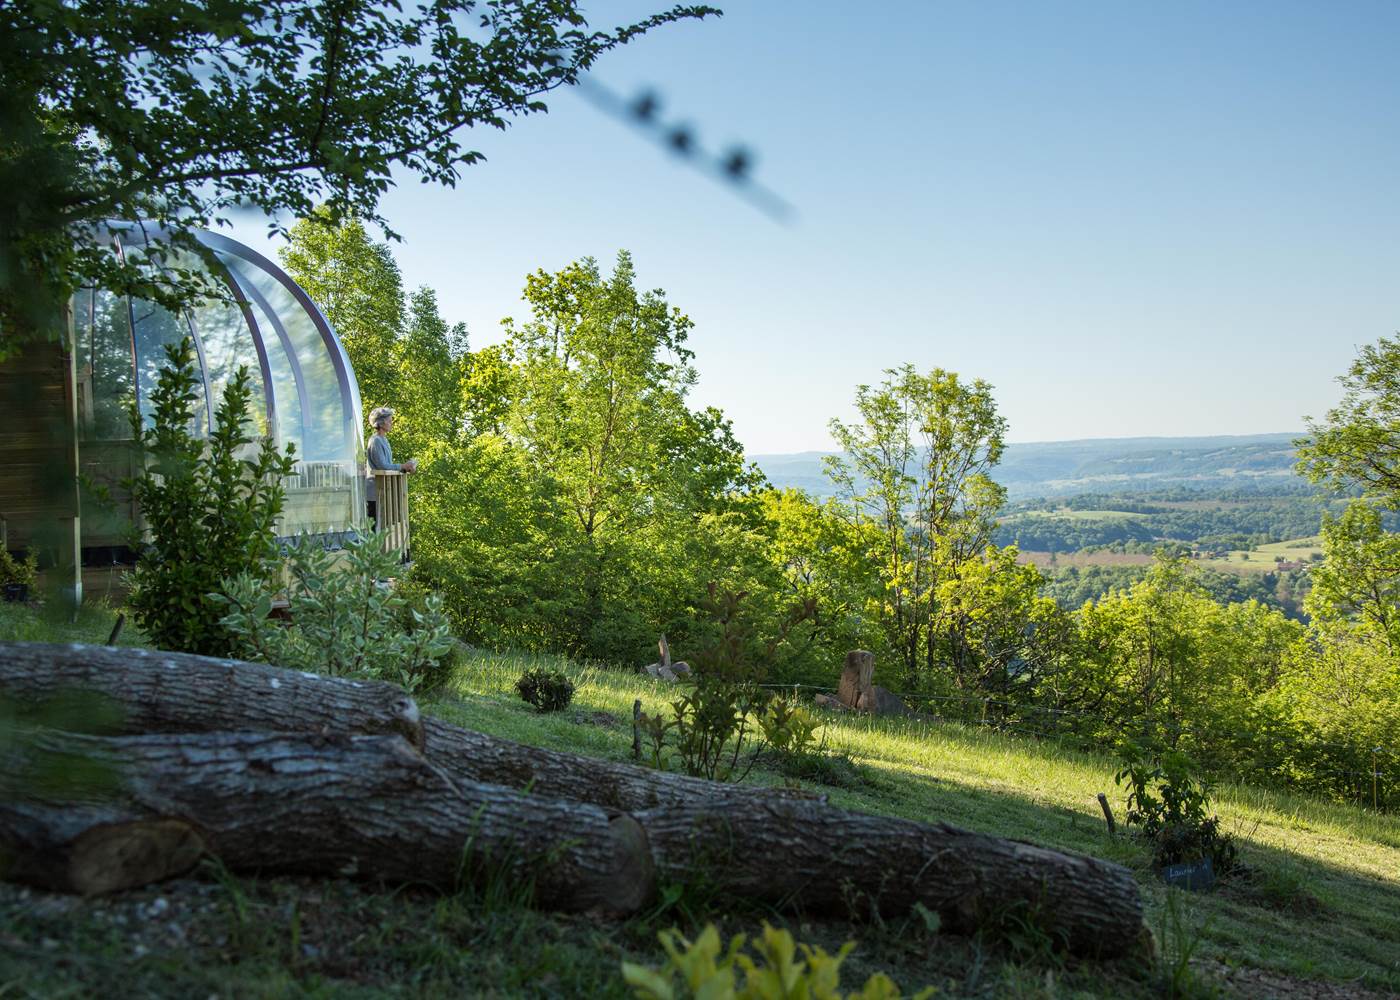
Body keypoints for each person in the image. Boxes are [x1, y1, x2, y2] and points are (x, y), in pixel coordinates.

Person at [365, 406, 416, 527]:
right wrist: (402, 466)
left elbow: (388, 464)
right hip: (374, 491)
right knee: (374, 526)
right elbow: (382, 466)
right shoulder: (375, 440)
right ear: (381, 423)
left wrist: (405, 468)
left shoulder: (384, 440)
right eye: (389, 420)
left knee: (384, 525)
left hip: (384, 489)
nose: (391, 423)